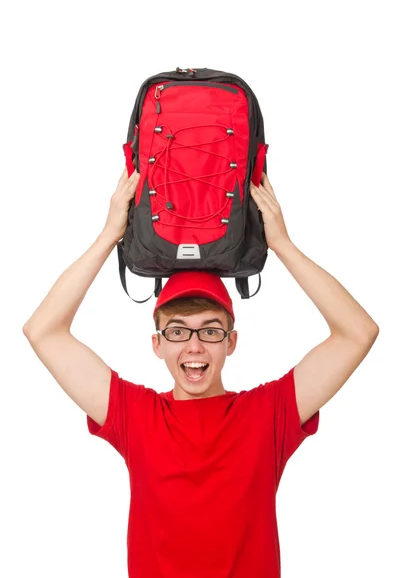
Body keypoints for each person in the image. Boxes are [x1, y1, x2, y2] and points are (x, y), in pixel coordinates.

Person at [23, 165, 379, 577]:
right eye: (178, 331)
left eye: (210, 330)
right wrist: (108, 237)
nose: (194, 346)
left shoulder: (269, 413)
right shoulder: (134, 414)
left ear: (231, 341)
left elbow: (358, 333)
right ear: (157, 345)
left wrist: (282, 245)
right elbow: (42, 331)